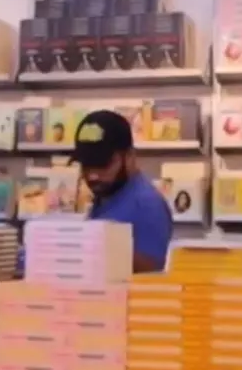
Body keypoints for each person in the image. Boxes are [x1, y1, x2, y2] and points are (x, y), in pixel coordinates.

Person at [72, 110, 173, 272]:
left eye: (103, 164)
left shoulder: (147, 205)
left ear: (130, 157)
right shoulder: (106, 195)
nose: (92, 175)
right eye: (86, 165)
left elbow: (151, 273)